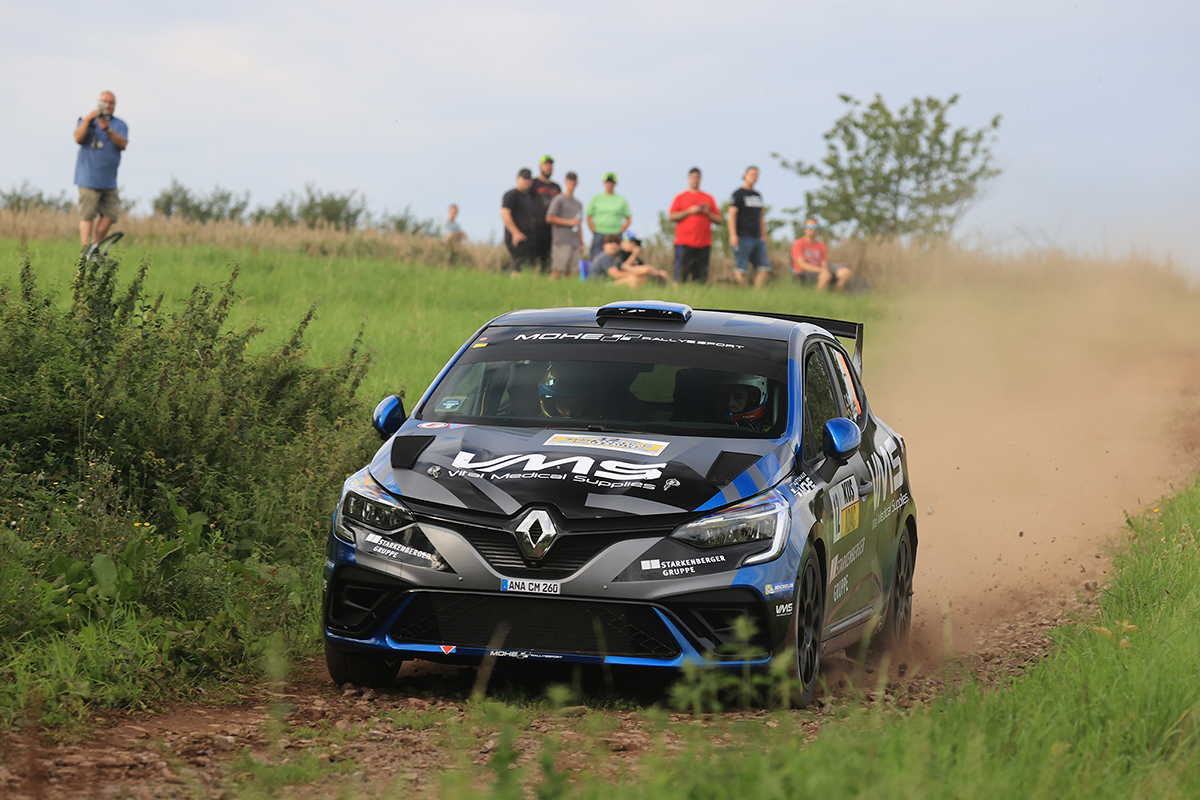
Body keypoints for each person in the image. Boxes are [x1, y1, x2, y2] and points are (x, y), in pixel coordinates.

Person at [73, 91, 128, 248]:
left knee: (111, 214)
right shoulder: (87, 121)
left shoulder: (119, 124)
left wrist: (108, 130)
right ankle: (85, 251)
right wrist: (88, 120)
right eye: (104, 101)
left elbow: (123, 144)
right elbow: (78, 138)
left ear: (114, 106)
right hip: (87, 178)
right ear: (98, 103)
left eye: (111, 102)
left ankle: (95, 246)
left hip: (109, 181)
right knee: (87, 215)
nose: (108, 105)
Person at [668, 167, 723, 283]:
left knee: (702, 276)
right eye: (693, 178)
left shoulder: (708, 198)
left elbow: (719, 219)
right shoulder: (680, 197)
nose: (695, 180)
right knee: (681, 274)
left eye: (697, 178)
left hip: (704, 243)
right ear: (688, 179)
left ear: (700, 179)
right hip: (684, 242)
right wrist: (689, 211)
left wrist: (708, 213)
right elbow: (671, 217)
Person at [727, 166, 771, 288]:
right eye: (752, 174)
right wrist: (733, 235)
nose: (754, 177)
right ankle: (742, 292)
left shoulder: (758, 195)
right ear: (745, 175)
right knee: (741, 268)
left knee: (764, 267)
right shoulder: (738, 194)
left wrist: (763, 235)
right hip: (742, 237)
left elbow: (761, 217)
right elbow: (731, 215)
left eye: (756, 174)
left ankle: (756, 294)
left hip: (757, 237)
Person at [791, 218, 852, 290]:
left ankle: (836, 295)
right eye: (809, 227)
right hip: (804, 273)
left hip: (821, 271)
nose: (812, 229)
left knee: (846, 272)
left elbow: (824, 263)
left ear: (818, 230)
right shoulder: (798, 244)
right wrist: (820, 270)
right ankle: (817, 298)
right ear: (805, 229)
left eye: (815, 227)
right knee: (825, 275)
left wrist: (825, 268)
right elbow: (802, 264)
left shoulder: (821, 246)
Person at [590, 234, 670, 288]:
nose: (614, 245)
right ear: (604, 245)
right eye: (610, 242)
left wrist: (653, 271)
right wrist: (638, 272)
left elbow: (625, 267)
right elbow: (616, 275)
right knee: (633, 279)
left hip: (610, 283)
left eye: (616, 243)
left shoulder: (614, 258)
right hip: (601, 285)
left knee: (640, 278)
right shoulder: (605, 257)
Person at [544, 171, 584, 281]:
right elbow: (550, 218)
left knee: (572, 272)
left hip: (574, 242)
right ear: (565, 182)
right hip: (561, 241)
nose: (571, 183)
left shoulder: (578, 204)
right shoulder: (559, 199)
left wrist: (581, 242)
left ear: (577, 183)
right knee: (557, 270)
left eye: (574, 181)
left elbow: (579, 223)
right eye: (569, 180)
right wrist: (569, 222)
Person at [585, 173, 631, 260]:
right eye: (608, 182)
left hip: (615, 233)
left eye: (611, 182)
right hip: (599, 233)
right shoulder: (596, 198)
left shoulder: (621, 199)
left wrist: (620, 231)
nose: (609, 184)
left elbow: (628, 219)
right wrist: (594, 230)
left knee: (616, 258)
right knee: (596, 257)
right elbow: (588, 216)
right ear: (604, 183)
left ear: (615, 183)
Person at [530, 156, 562, 273]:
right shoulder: (533, 183)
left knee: (547, 260)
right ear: (540, 166)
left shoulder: (556, 187)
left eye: (550, 165)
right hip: (534, 228)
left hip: (551, 230)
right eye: (545, 164)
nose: (548, 167)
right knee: (531, 259)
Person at [500, 168, 535, 273]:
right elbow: (505, 214)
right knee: (518, 264)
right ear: (517, 179)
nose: (526, 181)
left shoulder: (528, 197)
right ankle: (501, 275)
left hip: (527, 237)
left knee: (525, 265)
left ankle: (502, 275)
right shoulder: (511, 195)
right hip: (515, 236)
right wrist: (515, 233)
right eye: (524, 178)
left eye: (528, 179)